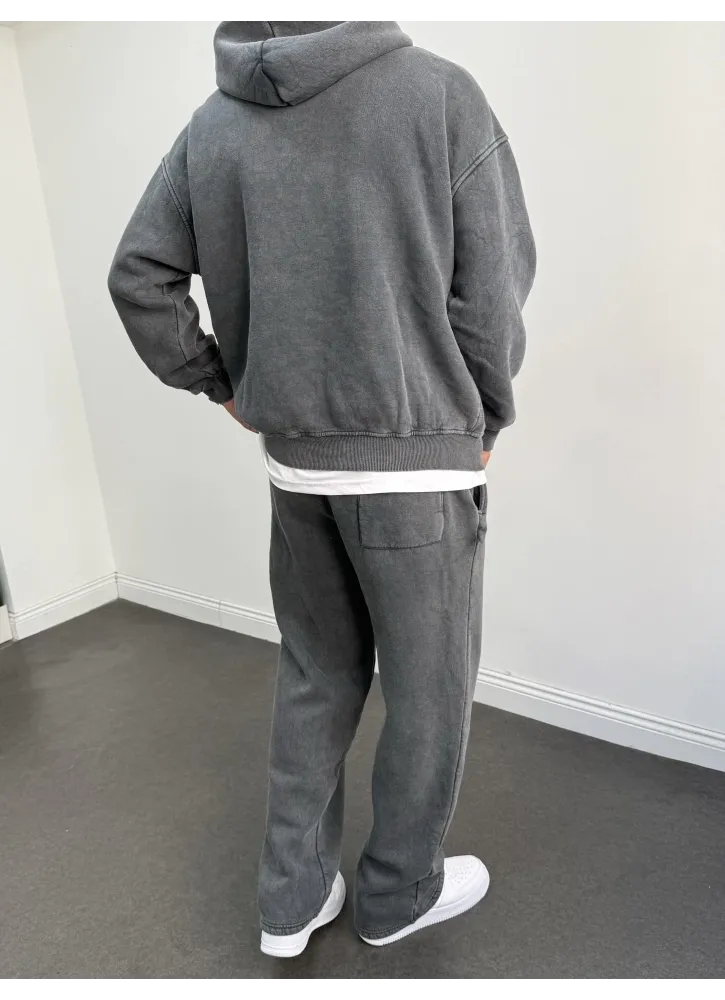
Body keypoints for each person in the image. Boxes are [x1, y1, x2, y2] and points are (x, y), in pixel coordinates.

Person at [109, 16, 535, 957]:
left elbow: (139, 275)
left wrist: (224, 384)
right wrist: (485, 415)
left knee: (316, 673)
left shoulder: (213, 123)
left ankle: (291, 899)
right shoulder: (439, 93)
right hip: (416, 462)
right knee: (427, 696)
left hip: (297, 465)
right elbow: (493, 282)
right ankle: (396, 893)